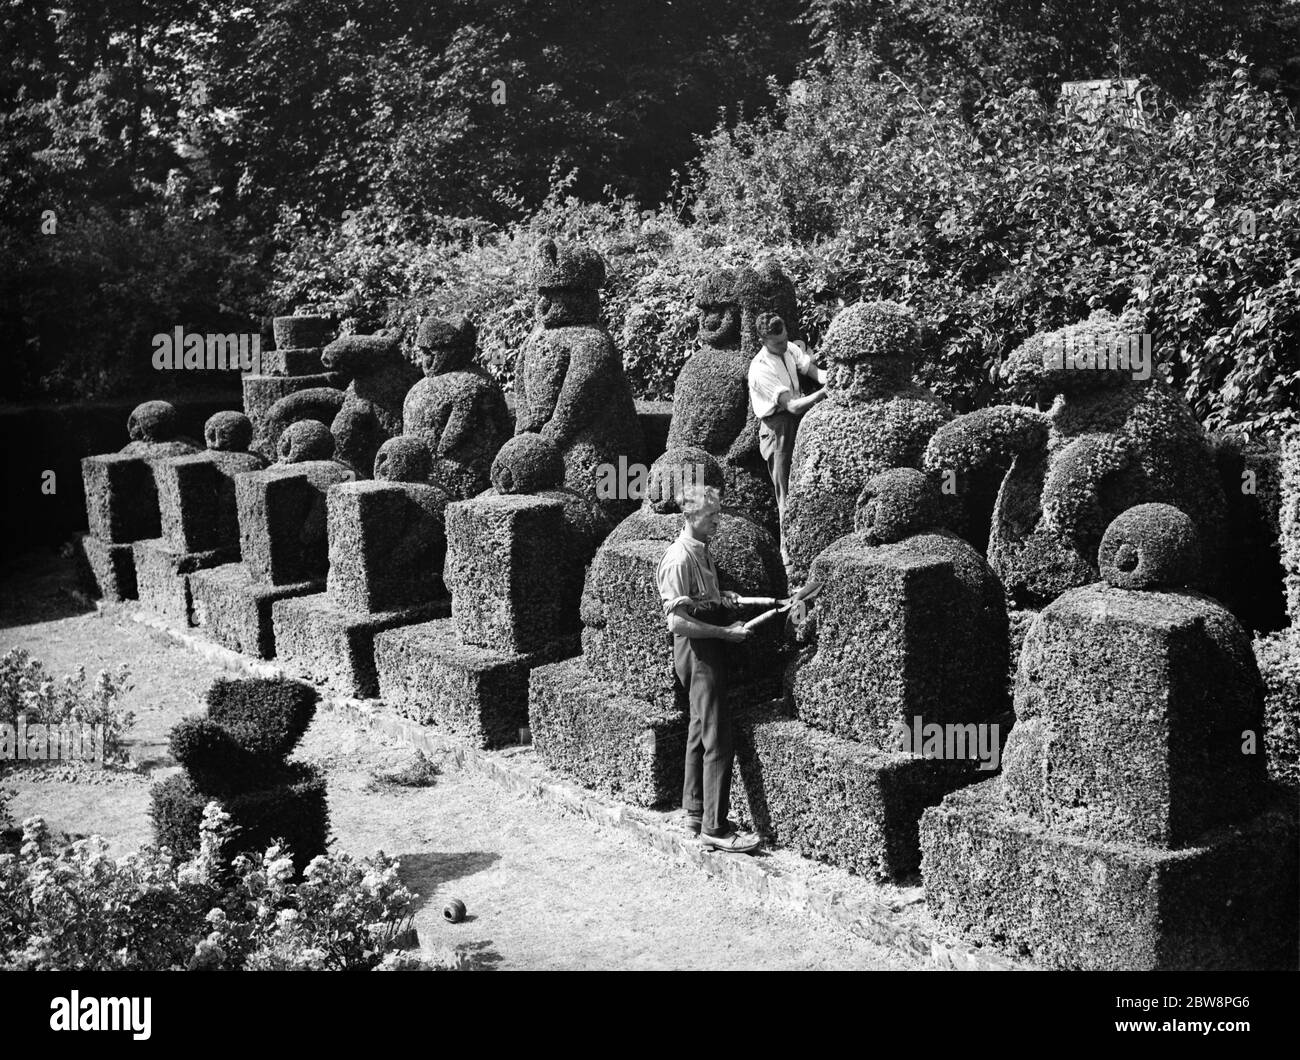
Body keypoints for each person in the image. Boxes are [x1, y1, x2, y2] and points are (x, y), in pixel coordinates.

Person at [655, 484, 776, 853]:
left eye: (718, 514)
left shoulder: (701, 551)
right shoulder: (678, 559)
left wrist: (721, 597)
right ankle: (716, 828)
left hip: (704, 649)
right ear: (690, 517)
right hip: (698, 652)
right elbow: (677, 623)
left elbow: (698, 602)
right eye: (711, 517)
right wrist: (724, 633)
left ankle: (694, 812)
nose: (717, 522)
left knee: (698, 727)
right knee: (718, 737)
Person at [746, 313, 828, 567]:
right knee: (786, 495)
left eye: (784, 340)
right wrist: (825, 394)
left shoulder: (789, 346)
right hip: (777, 428)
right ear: (763, 340)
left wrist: (833, 376)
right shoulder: (760, 368)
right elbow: (791, 405)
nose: (784, 346)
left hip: (798, 420)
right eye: (777, 343)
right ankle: (788, 557)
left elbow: (812, 370)